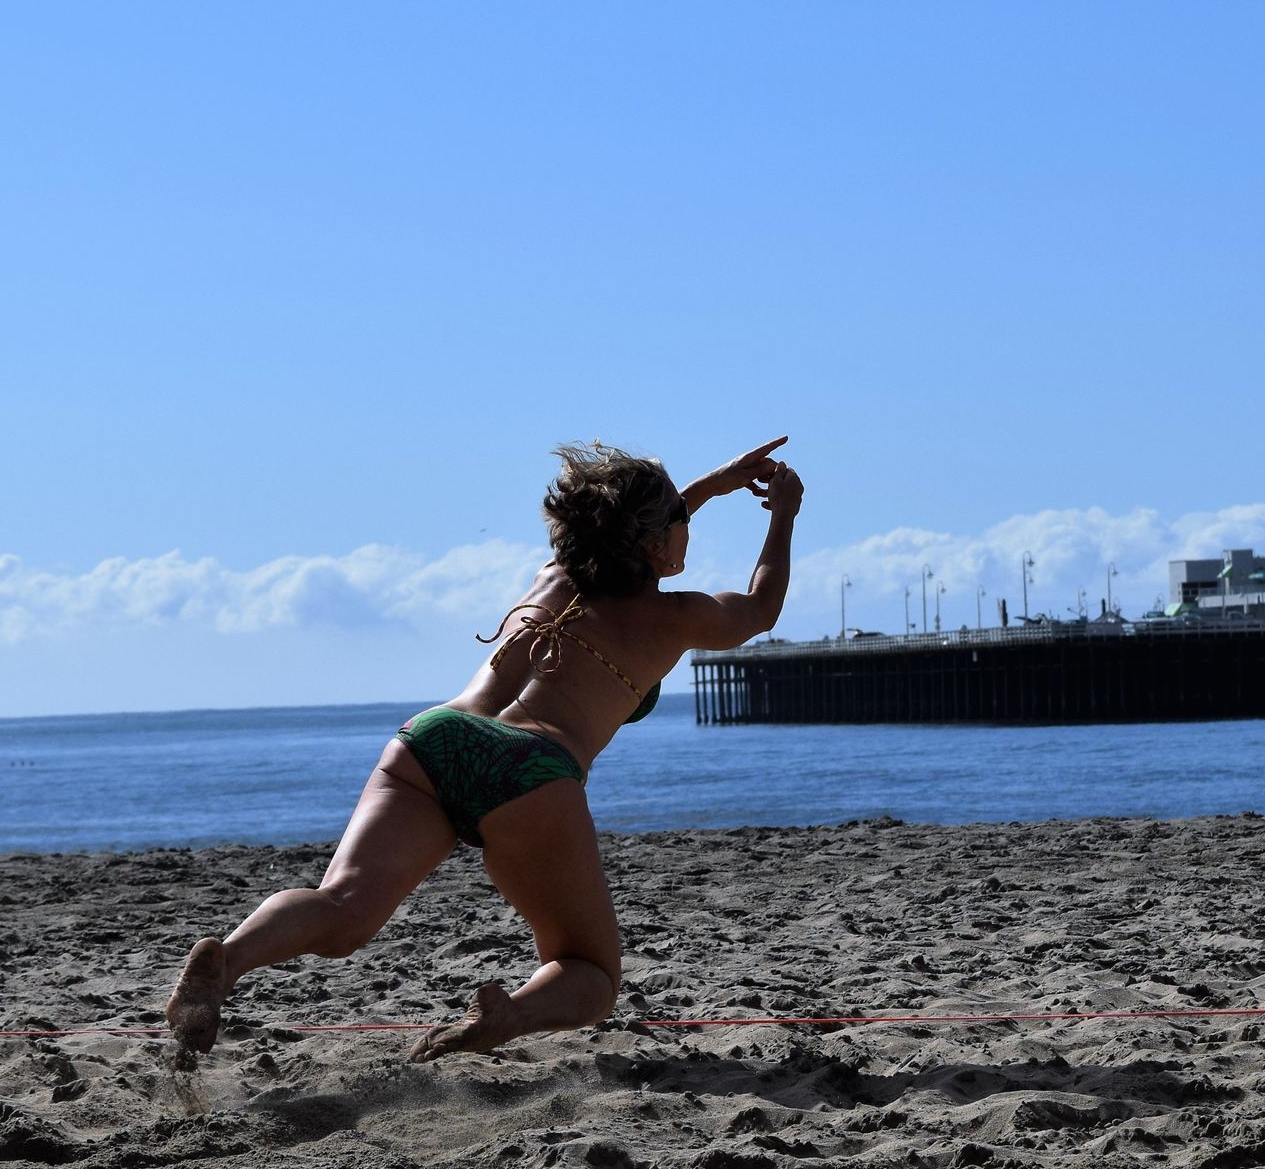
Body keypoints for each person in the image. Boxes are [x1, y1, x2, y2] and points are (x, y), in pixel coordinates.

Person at [164, 437, 802, 1062]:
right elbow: (761, 607)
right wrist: (782, 518)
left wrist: (705, 491)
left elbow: (623, 537)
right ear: (654, 541)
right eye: (680, 519)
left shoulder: (556, 578)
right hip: (532, 768)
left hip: (438, 736)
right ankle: (510, 1014)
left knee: (342, 908)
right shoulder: (678, 615)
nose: (687, 524)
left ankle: (231, 958)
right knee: (590, 973)